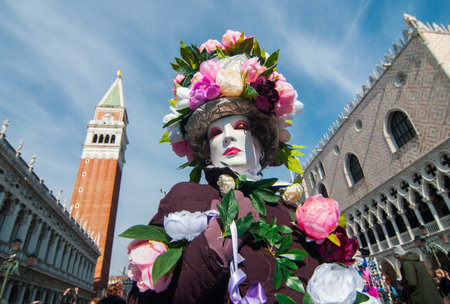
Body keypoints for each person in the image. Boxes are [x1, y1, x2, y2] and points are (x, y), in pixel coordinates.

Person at [126, 30, 359, 304]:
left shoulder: (293, 210)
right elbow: (144, 299)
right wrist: (219, 237)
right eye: (215, 133)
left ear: (260, 144)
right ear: (205, 150)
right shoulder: (182, 198)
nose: (227, 136)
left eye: (241, 127)